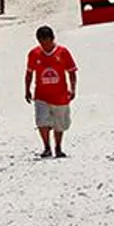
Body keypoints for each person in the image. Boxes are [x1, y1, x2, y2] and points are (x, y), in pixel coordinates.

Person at [24, 25, 77, 158]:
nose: (44, 45)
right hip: (41, 95)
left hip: (60, 95)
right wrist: (27, 89)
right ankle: (47, 147)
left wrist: (73, 89)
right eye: (41, 43)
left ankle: (58, 147)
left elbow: (71, 72)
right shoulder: (34, 54)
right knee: (42, 121)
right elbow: (29, 73)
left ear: (52, 39)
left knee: (60, 124)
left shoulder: (63, 52)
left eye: (47, 42)